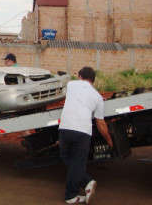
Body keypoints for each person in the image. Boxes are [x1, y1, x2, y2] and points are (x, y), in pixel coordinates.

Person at [58, 66, 113, 204]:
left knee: (67, 157)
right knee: (77, 163)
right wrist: (109, 140)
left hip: (65, 128)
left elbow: (71, 87)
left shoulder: (71, 84)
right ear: (93, 81)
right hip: (83, 132)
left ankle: (75, 192)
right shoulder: (98, 98)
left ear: (79, 76)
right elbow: (101, 124)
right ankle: (86, 183)